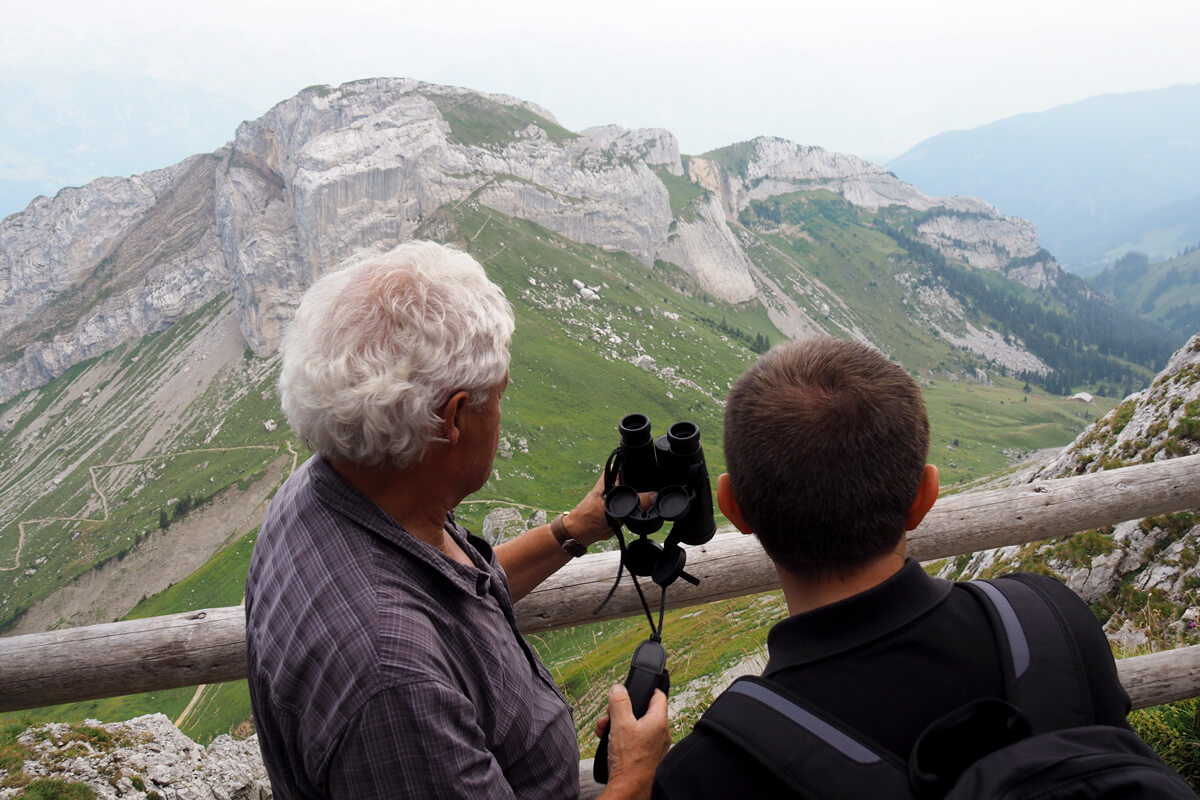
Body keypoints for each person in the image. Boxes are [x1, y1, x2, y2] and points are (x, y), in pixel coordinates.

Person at [245, 241, 669, 800]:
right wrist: (634, 776)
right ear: (454, 418)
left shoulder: (321, 493)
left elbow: (457, 598)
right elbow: (413, 648)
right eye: (498, 396)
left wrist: (575, 528)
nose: (502, 411)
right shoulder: (394, 686)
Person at [651, 337, 1132, 798]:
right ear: (924, 498)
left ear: (734, 509)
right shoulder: (1052, 623)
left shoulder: (707, 772)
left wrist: (633, 785)